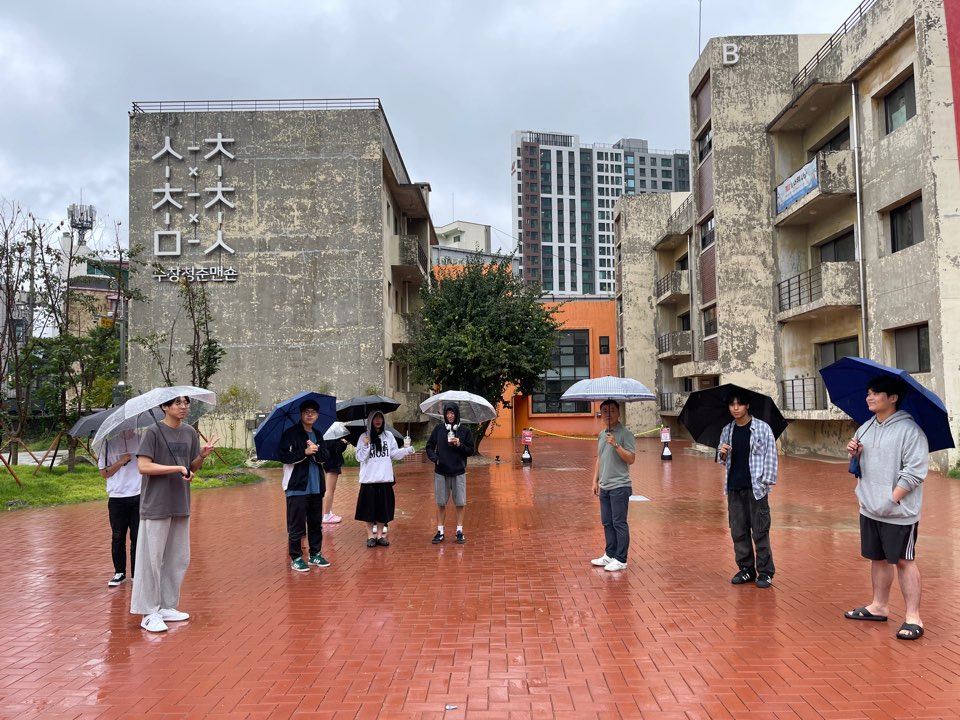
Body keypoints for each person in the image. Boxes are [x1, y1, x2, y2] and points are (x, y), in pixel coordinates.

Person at [843, 375, 928, 640]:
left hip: (898, 512)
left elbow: (914, 472)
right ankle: (878, 607)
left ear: (892, 398)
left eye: (876, 393)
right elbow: (857, 467)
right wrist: (854, 452)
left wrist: (892, 499)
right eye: (868, 392)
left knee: (903, 560)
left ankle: (913, 617)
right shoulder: (865, 428)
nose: (869, 397)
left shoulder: (910, 431)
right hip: (869, 508)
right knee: (877, 558)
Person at [131, 396, 217, 633]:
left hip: (180, 502)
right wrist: (176, 468)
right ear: (164, 407)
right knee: (151, 560)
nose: (183, 407)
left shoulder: (189, 432)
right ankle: (148, 612)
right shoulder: (152, 432)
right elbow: (143, 466)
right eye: (177, 403)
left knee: (177, 558)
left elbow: (191, 467)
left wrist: (202, 455)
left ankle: (166, 606)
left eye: (186, 403)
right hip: (156, 504)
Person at [716, 390, 778, 588]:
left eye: (739, 404)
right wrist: (722, 453)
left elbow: (771, 456)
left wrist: (765, 483)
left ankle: (765, 572)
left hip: (756, 489)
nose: (736, 408)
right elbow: (721, 460)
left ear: (747, 406)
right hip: (734, 488)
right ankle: (746, 569)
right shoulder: (727, 430)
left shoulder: (762, 428)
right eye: (732, 404)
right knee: (738, 531)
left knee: (760, 531)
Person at [278, 399, 331, 572]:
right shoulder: (290, 434)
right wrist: (304, 452)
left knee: (315, 523)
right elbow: (284, 456)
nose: (310, 415)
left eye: (313, 412)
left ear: (317, 415)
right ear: (300, 414)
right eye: (306, 412)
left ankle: (315, 554)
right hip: (297, 486)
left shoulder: (318, 434)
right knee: (296, 526)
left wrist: (316, 451)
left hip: (316, 486)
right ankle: (296, 557)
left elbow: (325, 456)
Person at [590, 400, 637, 572]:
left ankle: (621, 559)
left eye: (611, 410)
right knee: (607, 522)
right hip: (605, 486)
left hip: (620, 485)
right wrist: (595, 480)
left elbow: (631, 459)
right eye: (604, 411)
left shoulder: (626, 434)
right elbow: (600, 458)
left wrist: (616, 444)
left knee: (619, 523)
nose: (608, 414)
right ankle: (609, 555)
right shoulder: (602, 434)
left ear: (618, 412)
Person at [355, 410, 414, 547]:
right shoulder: (364, 437)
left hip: (384, 479)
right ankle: (370, 536)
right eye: (375, 418)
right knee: (369, 510)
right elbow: (360, 457)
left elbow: (393, 454)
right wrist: (366, 445)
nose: (378, 420)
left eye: (380, 417)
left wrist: (407, 450)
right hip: (369, 480)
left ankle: (380, 535)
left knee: (383, 509)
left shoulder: (388, 436)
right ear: (370, 420)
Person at [425, 402, 475, 544]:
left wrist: (460, 444)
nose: (450, 416)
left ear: (457, 414)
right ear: (444, 415)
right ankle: (440, 531)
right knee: (440, 502)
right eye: (447, 413)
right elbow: (429, 446)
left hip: (458, 471)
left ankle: (459, 530)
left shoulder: (464, 431)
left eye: (452, 413)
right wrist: (435, 459)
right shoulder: (439, 429)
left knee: (460, 502)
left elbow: (470, 451)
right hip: (441, 471)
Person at [99, 428, 141, 587]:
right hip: (117, 497)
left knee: (137, 536)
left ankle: (137, 574)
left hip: (139, 494)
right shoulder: (107, 445)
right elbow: (104, 473)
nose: (128, 428)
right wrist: (120, 461)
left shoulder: (142, 441)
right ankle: (119, 572)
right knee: (118, 536)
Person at [322, 432, 349, 524]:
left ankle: (328, 512)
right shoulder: (328, 436)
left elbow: (338, 449)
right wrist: (342, 442)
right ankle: (326, 515)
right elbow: (333, 448)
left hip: (334, 462)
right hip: (331, 463)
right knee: (329, 489)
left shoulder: (332, 435)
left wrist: (343, 443)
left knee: (332, 489)